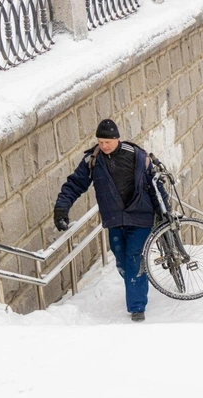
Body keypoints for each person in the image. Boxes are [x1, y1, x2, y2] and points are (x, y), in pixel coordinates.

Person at [53, 119, 169, 322]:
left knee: (133, 258)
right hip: (114, 219)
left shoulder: (135, 155)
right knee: (122, 260)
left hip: (140, 216)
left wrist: (164, 208)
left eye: (107, 141)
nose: (104, 145)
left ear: (117, 139)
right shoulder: (93, 159)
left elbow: (153, 182)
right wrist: (62, 207)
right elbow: (75, 184)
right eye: (100, 141)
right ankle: (137, 282)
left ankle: (137, 307)